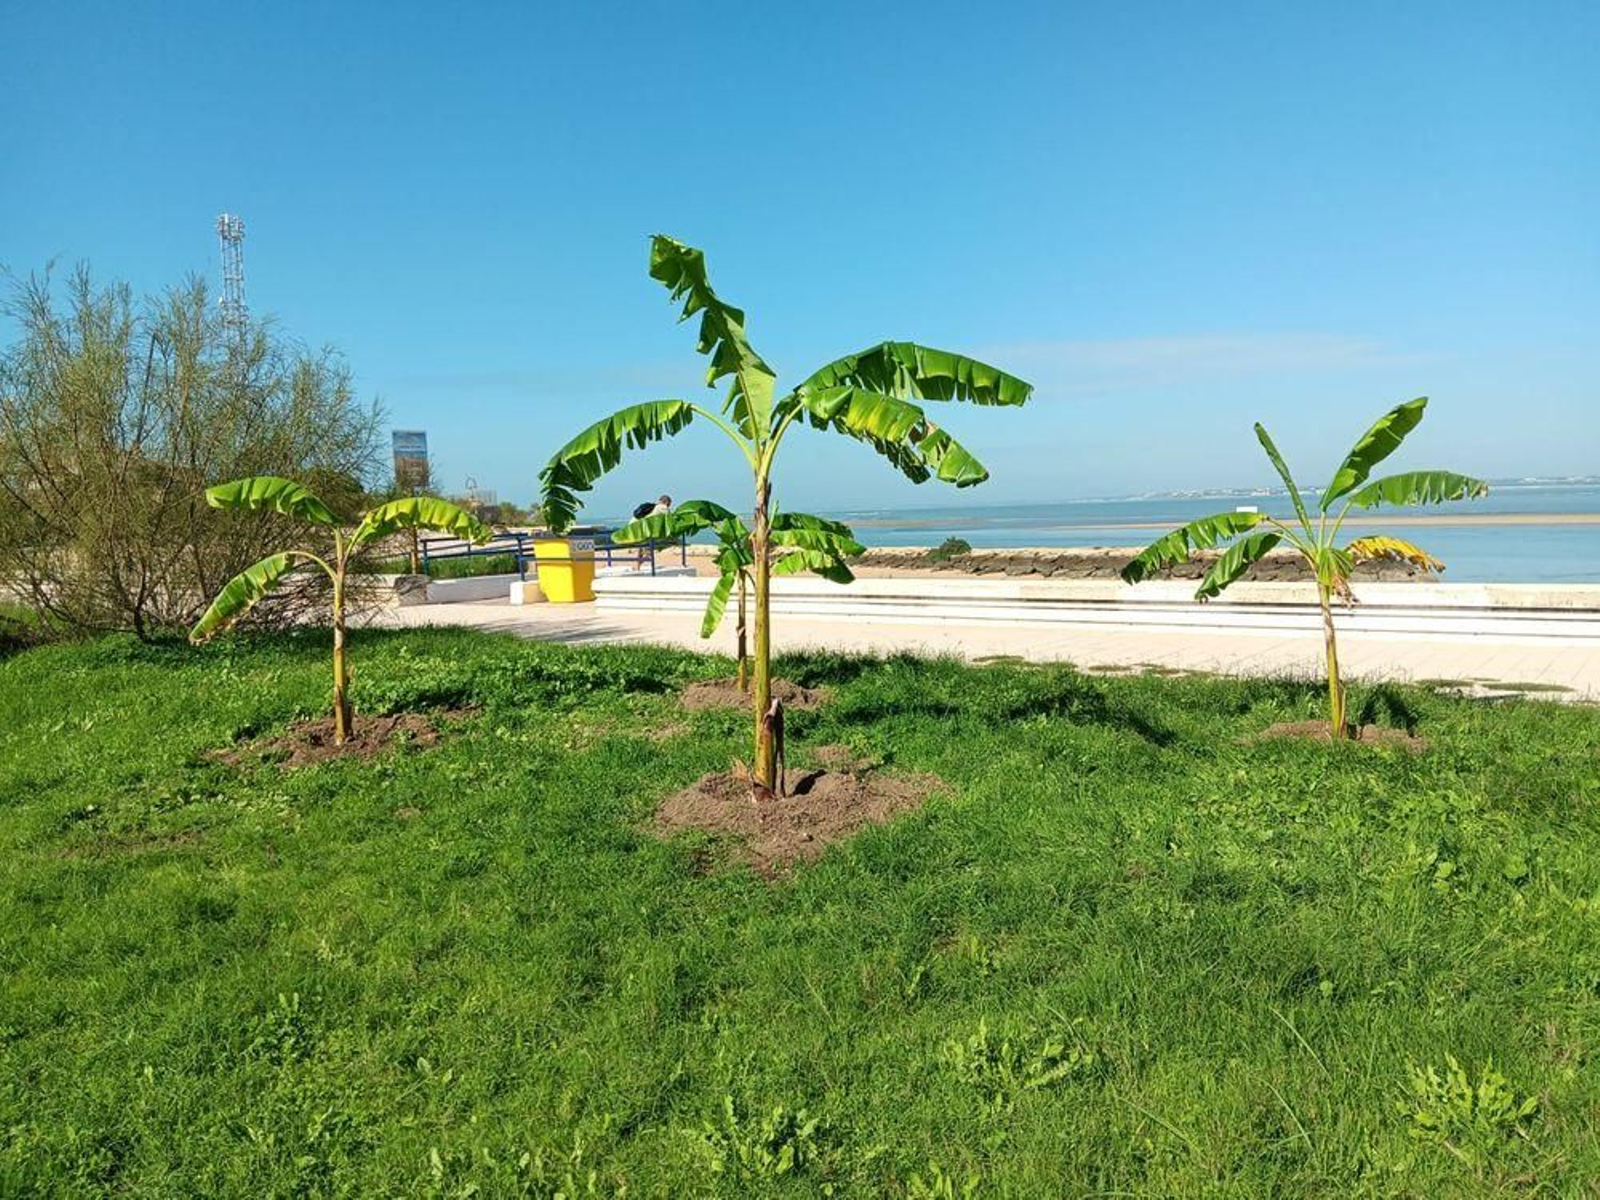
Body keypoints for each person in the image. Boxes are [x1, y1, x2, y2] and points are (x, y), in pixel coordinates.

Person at [629, 495, 671, 564]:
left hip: (633, 527)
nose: (669, 506)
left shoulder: (652, 507)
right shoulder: (662, 507)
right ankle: (645, 556)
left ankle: (638, 565)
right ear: (666, 502)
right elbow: (670, 519)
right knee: (649, 544)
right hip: (640, 529)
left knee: (642, 547)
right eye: (669, 504)